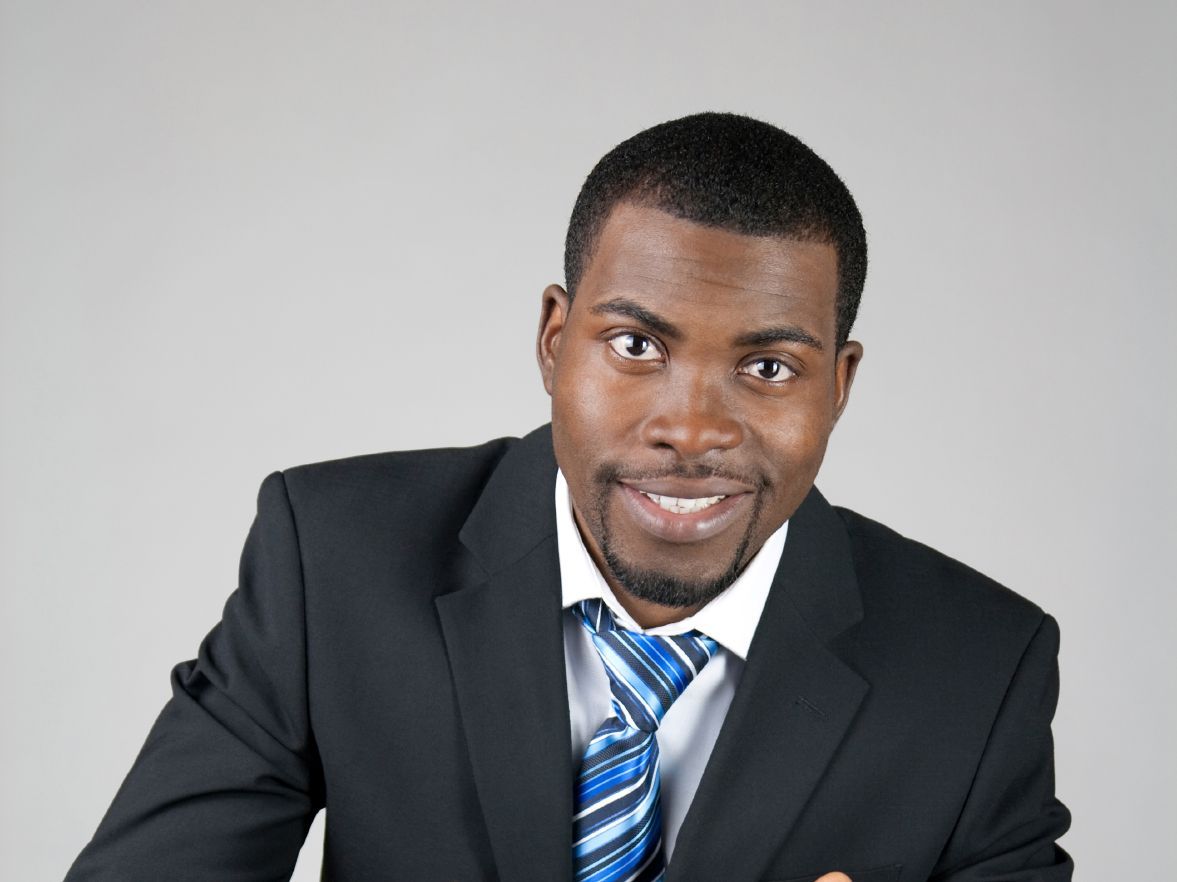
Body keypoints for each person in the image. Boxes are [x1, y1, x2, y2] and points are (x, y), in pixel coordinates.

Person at [65, 112, 1072, 882]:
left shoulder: (978, 670)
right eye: (635, 345)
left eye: (767, 368)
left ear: (838, 386)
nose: (692, 430)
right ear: (554, 342)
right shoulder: (331, 563)